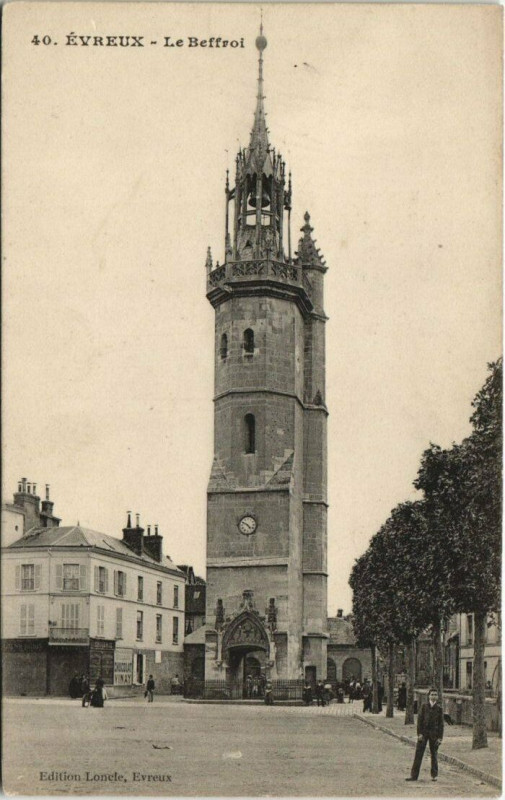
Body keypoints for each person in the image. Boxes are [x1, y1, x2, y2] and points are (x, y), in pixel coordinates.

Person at [406, 688, 444, 782]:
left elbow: (441, 725)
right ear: (429, 696)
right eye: (432, 694)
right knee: (418, 754)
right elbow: (419, 721)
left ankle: (434, 775)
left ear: (438, 697)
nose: (434, 696)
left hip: (434, 734)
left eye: (435, 694)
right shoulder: (424, 707)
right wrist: (419, 734)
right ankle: (414, 776)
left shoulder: (439, 709)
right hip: (423, 733)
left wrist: (440, 738)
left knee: (434, 755)